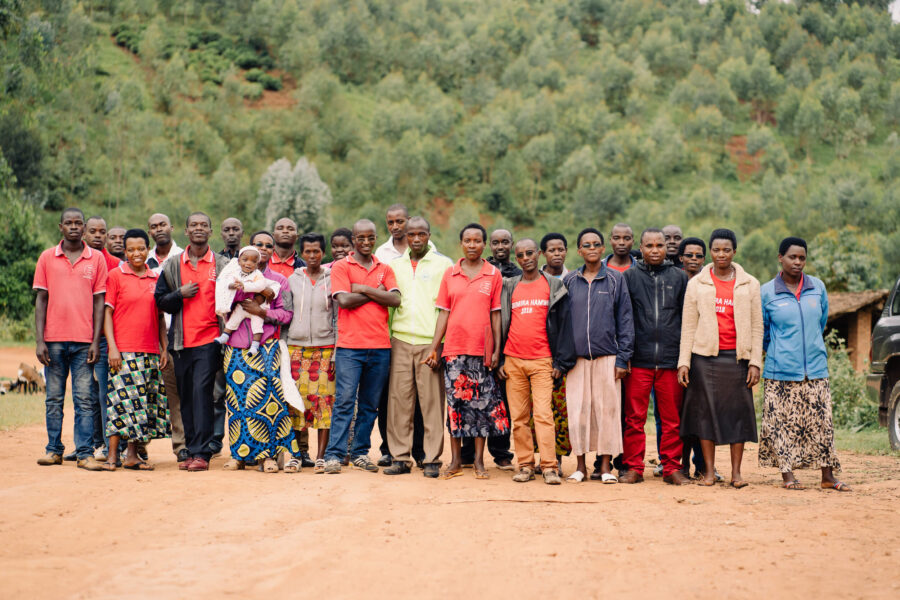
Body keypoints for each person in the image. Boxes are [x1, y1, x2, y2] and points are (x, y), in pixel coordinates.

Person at [759, 237, 849, 491]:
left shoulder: (817, 287)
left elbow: (820, 324)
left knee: (821, 423)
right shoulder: (767, 292)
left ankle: (827, 477)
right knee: (781, 424)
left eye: (802, 258)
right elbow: (764, 332)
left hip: (816, 369)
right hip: (780, 371)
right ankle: (788, 476)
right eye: (792, 257)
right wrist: (781, 350)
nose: (797, 262)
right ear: (780, 258)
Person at [678, 228, 762, 489]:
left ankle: (737, 473)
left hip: (737, 359)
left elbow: (758, 326)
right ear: (710, 253)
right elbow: (689, 326)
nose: (721, 254)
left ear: (734, 251)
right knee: (705, 414)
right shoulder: (697, 283)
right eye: (716, 250)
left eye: (726, 250)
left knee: (738, 414)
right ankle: (709, 473)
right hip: (704, 358)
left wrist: (755, 362)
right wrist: (684, 361)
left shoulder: (750, 284)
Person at [424, 223, 510, 480]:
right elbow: (443, 313)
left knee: (482, 407)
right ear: (461, 243)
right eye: (468, 240)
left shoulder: (493, 274)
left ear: (484, 245)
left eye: (477, 241)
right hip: (454, 352)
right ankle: (455, 462)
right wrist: (434, 347)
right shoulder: (450, 274)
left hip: (482, 352)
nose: (472, 245)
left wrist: (495, 349)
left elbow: (496, 315)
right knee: (456, 407)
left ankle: (479, 463)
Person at [322, 219, 400, 474]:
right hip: (349, 348)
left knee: (369, 404)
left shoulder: (385, 268)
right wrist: (376, 292)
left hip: (380, 347)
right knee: (344, 401)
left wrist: (362, 289)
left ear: (375, 238)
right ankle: (333, 454)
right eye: (361, 238)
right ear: (353, 239)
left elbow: (395, 299)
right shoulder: (342, 267)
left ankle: (360, 453)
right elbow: (344, 300)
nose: (366, 243)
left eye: (370, 237)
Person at [33, 207, 108, 471]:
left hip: (84, 342)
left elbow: (100, 302)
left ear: (84, 227)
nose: (74, 227)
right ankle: (53, 449)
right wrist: (40, 340)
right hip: (52, 341)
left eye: (78, 223)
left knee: (84, 398)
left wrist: (94, 340)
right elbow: (41, 300)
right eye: (69, 223)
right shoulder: (46, 257)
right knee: (53, 398)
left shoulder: (96, 258)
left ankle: (85, 453)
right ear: (60, 227)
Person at [155, 212, 229, 472]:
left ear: (211, 231)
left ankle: (201, 453)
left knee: (201, 394)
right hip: (180, 343)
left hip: (210, 341)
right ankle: (191, 448)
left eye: (204, 225)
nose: (199, 228)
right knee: (186, 397)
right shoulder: (173, 265)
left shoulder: (221, 265)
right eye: (194, 225)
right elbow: (161, 301)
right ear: (185, 231)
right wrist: (179, 294)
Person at [497, 238, 575, 485]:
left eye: (530, 253)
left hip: (543, 361)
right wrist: (499, 359)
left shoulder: (553, 286)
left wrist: (560, 362)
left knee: (543, 415)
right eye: (520, 255)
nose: (526, 258)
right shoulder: (510, 286)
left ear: (539, 254)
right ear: (516, 258)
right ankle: (525, 465)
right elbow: (500, 324)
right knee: (519, 417)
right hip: (513, 360)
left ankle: (550, 466)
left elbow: (564, 325)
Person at [619, 229, 691, 485]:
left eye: (660, 245)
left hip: (671, 360)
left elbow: (686, 320)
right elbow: (623, 319)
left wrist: (684, 358)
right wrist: (624, 355)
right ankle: (634, 468)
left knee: (672, 418)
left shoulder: (679, 278)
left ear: (666, 248)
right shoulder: (628, 277)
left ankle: (672, 467)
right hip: (638, 359)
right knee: (634, 418)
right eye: (649, 245)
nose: (655, 249)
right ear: (640, 247)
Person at [563, 227, 634, 483]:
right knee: (579, 412)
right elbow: (562, 323)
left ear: (603, 249)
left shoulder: (615, 279)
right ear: (579, 250)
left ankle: (605, 468)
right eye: (586, 245)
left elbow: (625, 320)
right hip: (577, 360)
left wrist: (623, 358)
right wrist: (563, 359)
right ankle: (580, 466)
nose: (592, 248)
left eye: (596, 244)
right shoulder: (570, 280)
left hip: (608, 358)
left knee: (607, 412)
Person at [384, 217, 452, 478]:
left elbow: (446, 308)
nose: (415, 239)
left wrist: (439, 346)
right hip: (400, 340)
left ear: (429, 235)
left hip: (429, 341)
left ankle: (432, 458)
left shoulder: (443, 264)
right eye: (411, 234)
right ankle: (400, 457)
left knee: (432, 403)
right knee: (399, 401)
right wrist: (389, 341)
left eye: (421, 234)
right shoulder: (394, 265)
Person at [221, 234, 295, 474]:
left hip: (266, 348)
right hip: (235, 349)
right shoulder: (231, 277)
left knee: (268, 402)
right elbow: (221, 304)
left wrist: (261, 312)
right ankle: (239, 456)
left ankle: (268, 457)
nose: (262, 249)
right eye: (258, 245)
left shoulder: (279, 281)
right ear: (246, 253)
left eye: (267, 246)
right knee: (238, 404)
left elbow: (286, 315)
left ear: (272, 250)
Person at [102, 229, 170, 471]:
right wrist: (112, 347)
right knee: (119, 402)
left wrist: (164, 348)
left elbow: (160, 318)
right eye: (130, 249)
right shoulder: (115, 276)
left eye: (141, 248)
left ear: (148, 249)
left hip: (150, 351)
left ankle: (131, 456)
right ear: (125, 251)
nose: (136, 253)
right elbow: (107, 314)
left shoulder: (155, 278)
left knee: (140, 404)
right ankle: (112, 456)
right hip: (124, 351)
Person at [458, 227, 518, 471]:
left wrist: (503, 352)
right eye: (496, 242)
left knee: (500, 402)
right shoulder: (485, 270)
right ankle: (469, 451)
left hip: (509, 345)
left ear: (512, 245)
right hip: (480, 345)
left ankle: (501, 451)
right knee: (472, 397)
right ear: (489, 245)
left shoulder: (519, 272)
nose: (500, 246)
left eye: (505, 242)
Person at [374, 204, 427, 468]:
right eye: (391, 222)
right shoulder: (380, 254)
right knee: (390, 395)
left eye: (400, 221)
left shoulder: (431, 252)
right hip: (387, 332)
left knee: (417, 397)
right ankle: (388, 448)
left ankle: (419, 449)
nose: (396, 226)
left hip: (419, 333)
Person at [286, 232, 337, 474]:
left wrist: (336, 351)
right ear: (302, 254)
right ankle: (297, 455)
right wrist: (284, 351)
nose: (313, 255)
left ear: (323, 253)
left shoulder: (333, 278)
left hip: (325, 349)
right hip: (296, 349)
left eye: (317, 251)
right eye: (308, 251)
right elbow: (286, 317)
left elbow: (337, 318)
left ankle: (320, 457)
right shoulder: (292, 279)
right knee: (296, 404)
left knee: (324, 403)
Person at [268, 216, 310, 465]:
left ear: (297, 234)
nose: (285, 231)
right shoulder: (261, 261)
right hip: (267, 339)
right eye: (280, 227)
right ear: (273, 233)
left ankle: (300, 450)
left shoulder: (304, 265)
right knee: (271, 396)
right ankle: (270, 449)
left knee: (297, 395)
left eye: (290, 228)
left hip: (294, 340)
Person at [146, 213, 187, 462]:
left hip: (180, 337)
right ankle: (138, 445)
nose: (159, 229)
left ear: (171, 227)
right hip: (148, 339)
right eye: (153, 226)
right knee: (147, 393)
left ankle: (184, 444)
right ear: (149, 231)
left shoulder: (183, 258)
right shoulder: (141, 258)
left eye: (162, 224)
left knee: (181, 395)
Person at [535, 233, 572, 471]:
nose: (557, 254)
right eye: (552, 250)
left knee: (560, 410)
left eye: (561, 249)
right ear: (543, 254)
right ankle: (540, 457)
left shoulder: (573, 280)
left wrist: (563, 359)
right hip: (536, 354)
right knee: (537, 410)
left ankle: (556, 459)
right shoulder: (532, 279)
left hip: (562, 357)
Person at [82, 216, 117, 460]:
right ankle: (86, 445)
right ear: (84, 233)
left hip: (106, 339)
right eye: (92, 231)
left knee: (107, 394)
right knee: (85, 395)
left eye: (102, 231)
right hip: (79, 336)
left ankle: (108, 446)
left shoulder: (114, 264)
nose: (98, 235)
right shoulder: (77, 260)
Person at [676, 236, 710, 479]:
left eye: (699, 256)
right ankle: (680, 463)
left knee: (700, 412)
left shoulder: (708, 284)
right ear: (680, 258)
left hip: (701, 356)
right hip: (675, 356)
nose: (694, 260)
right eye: (689, 255)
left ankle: (703, 465)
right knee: (679, 413)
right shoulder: (675, 281)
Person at [214, 246, 279, 355]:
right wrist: (231, 285)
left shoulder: (258, 274)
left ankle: (255, 345)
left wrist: (245, 286)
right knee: (234, 319)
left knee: (257, 325)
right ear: (239, 261)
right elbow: (226, 282)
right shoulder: (235, 272)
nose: (248, 263)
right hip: (243, 306)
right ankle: (225, 336)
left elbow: (260, 285)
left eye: (253, 261)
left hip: (257, 307)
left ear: (257, 264)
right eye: (245, 260)